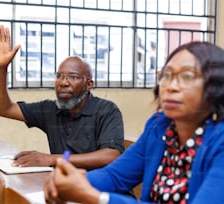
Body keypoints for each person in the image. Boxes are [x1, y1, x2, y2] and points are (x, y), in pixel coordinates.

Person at [44, 41, 224, 203]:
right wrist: (69, 182)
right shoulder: (159, 127)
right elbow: (114, 176)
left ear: (215, 86)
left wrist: (98, 198)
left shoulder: (220, 140)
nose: (171, 86)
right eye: (166, 76)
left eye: (186, 77)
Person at [0, 25, 125, 170]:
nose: (63, 82)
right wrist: (1, 68)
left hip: (99, 188)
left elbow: (110, 156)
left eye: (72, 77)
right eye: (59, 76)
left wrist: (53, 159)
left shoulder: (106, 110)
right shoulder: (50, 109)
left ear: (89, 84)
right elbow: (4, 109)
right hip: (65, 185)